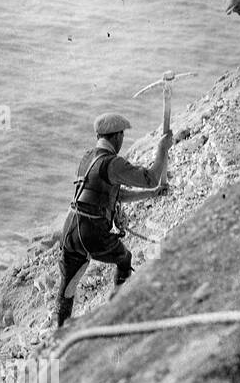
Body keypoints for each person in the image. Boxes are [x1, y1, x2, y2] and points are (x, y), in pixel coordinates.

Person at [55, 113, 171, 328]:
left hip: (71, 228)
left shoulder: (87, 158)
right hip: (92, 231)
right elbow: (150, 178)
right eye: (122, 136)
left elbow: (114, 195)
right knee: (125, 258)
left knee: (67, 287)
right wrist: (162, 149)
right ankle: (116, 311)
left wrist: (152, 194)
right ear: (116, 136)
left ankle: (59, 334)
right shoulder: (112, 163)